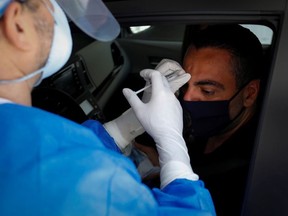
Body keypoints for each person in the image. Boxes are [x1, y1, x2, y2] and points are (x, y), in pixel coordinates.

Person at [0, 0, 216, 215]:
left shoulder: (35, 148)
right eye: (47, 3)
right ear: (17, 24)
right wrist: (174, 148)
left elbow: (71, 154)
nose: (57, 11)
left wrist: (124, 127)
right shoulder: (92, 180)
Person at [134, 24, 264, 215]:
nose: (187, 98)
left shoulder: (251, 171)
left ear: (249, 94)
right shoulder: (214, 126)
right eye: (186, 84)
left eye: (207, 91)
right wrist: (162, 164)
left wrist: (163, 176)